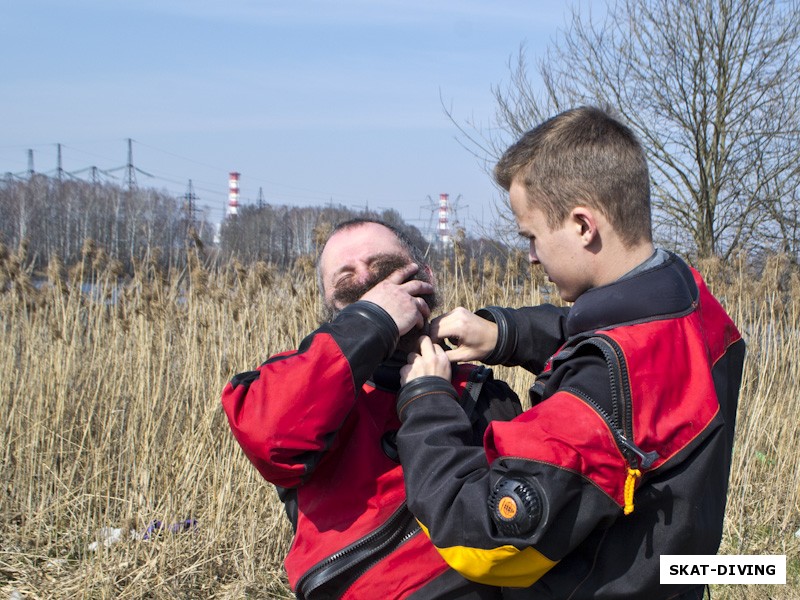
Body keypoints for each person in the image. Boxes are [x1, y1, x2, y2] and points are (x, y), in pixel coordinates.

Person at [395, 106, 746, 600]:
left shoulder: (601, 387)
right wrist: (505, 334)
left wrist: (426, 401)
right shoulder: (689, 301)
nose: (532, 256)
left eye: (531, 236)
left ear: (584, 225)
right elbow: (609, 337)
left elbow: (482, 539)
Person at [220, 218, 522, 600]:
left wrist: (511, 336)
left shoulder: (481, 388)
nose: (365, 275)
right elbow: (272, 439)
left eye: (382, 264)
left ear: (425, 275)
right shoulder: (299, 380)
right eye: (346, 274)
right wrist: (374, 320)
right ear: (333, 307)